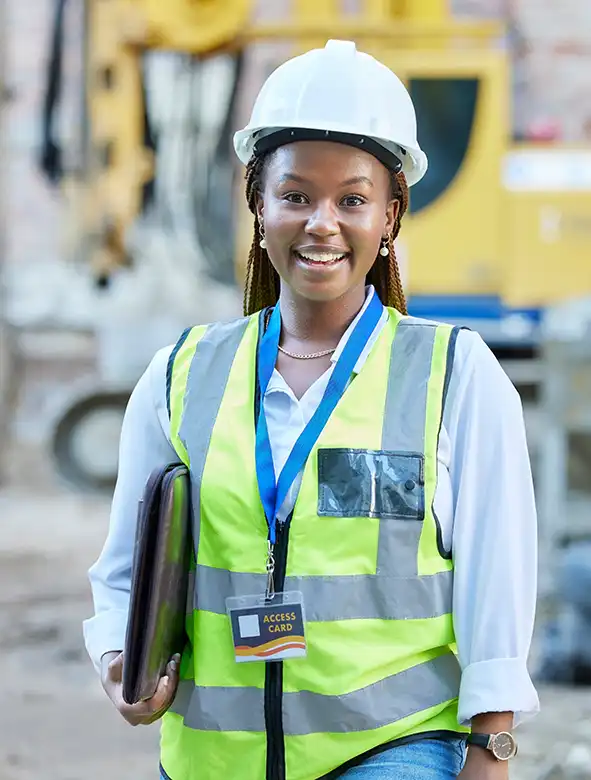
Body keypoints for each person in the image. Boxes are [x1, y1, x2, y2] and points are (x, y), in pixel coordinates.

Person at [83, 40, 540, 780]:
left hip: (388, 745)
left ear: (389, 215)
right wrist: (116, 657)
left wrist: (490, 748)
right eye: (295, 195)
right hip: (211, 758)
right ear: (258, 205)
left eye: (351, 199)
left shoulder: (454, 374)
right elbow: (122, 571)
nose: (322, 222)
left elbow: (497, 571)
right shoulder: (180, 374)